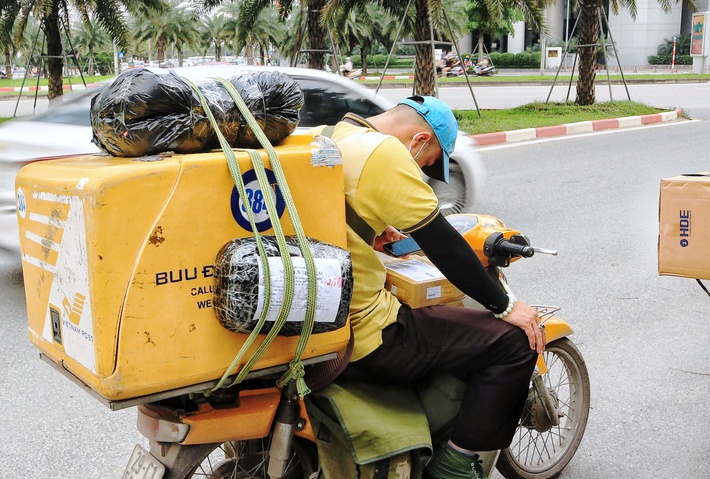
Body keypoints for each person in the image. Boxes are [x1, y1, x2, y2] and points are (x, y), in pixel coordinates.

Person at [311, 96, 545, 479]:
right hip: (367, 334)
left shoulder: (333, 136)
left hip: (317, 318)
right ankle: (454, 465)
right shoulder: (383, 152)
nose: (419, 169)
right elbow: (445, 246)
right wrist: (505, 306)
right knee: (513, 343)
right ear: (419, 140)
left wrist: (367, 235)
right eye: (425, 162)